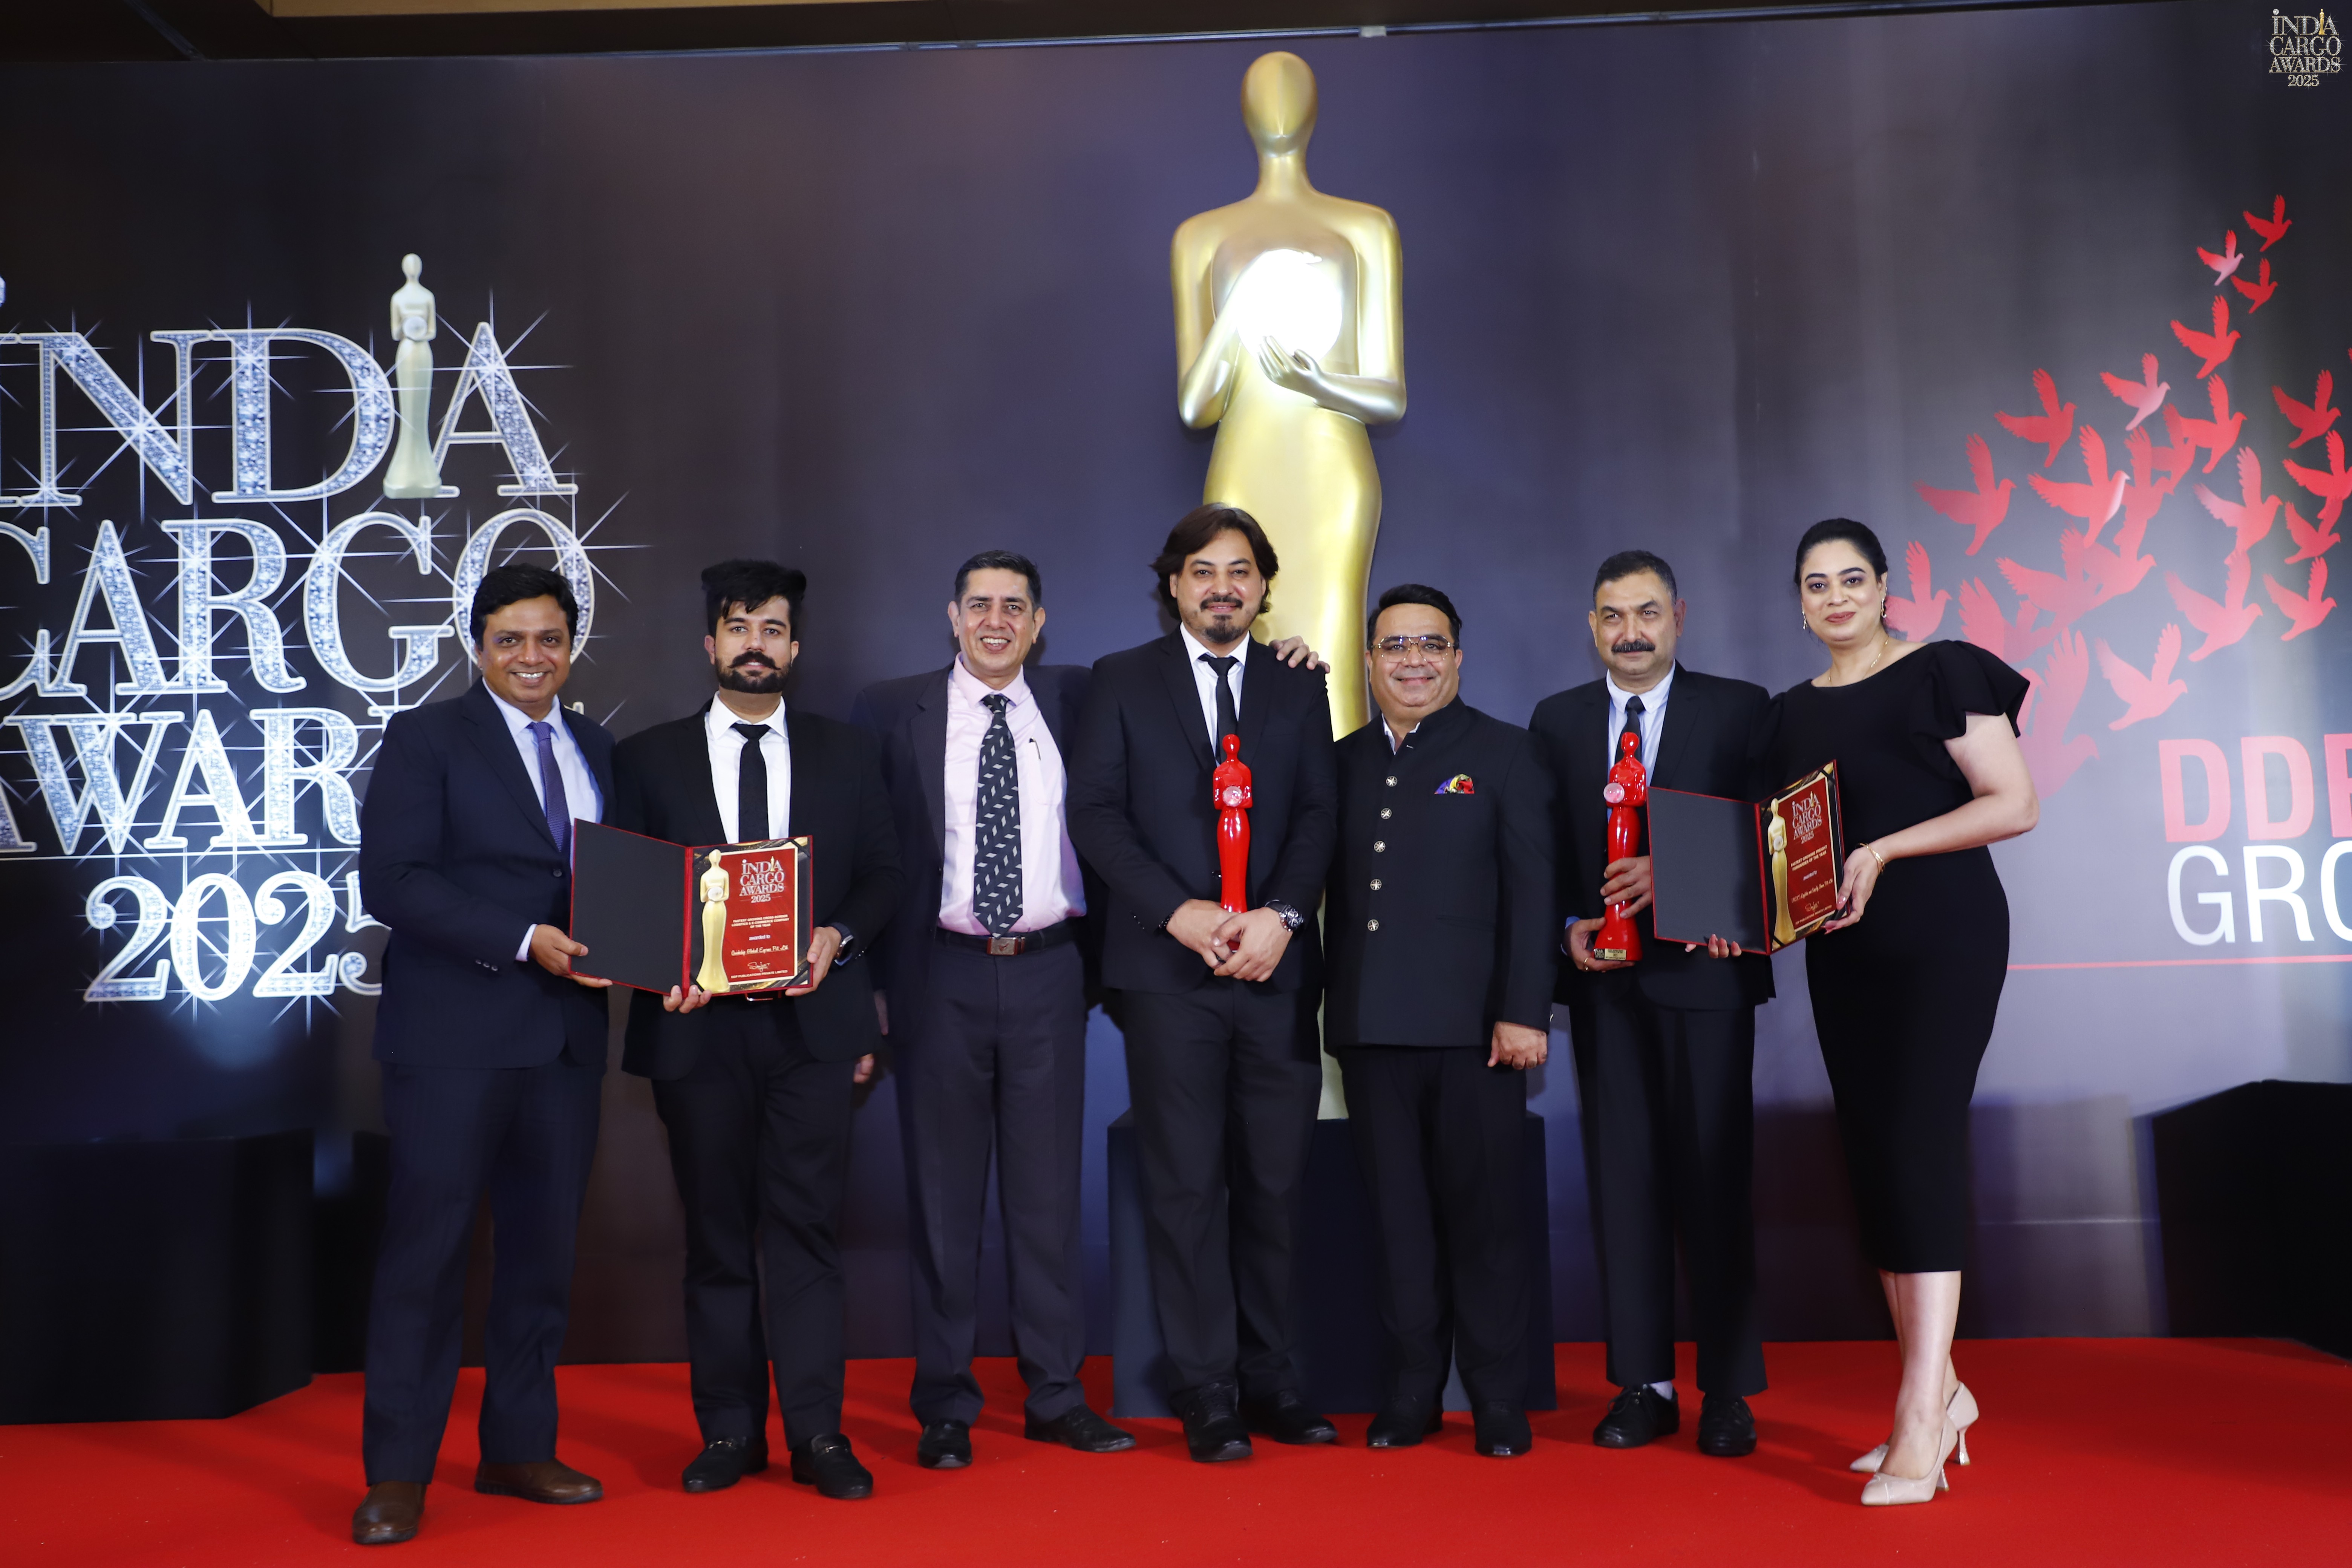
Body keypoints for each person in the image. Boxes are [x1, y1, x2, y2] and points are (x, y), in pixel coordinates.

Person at [610, 560, 903, 1502]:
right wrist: (664, 967)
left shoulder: (847, 753)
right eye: (739, 628)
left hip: (812, 1028)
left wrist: (838, 935)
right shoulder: (646, 758)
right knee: (718, 1237)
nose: (755, 645)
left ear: (795, 647)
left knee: (807, 1233)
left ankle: (819, 1433)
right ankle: (730, 1430)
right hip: (697, 1036)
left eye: (772, 629)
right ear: (710, 644)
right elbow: (625, 893)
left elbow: (887, 873)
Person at [1066, 503, 1340, 1462]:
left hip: (1274, 970)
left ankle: (1273, 1379)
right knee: (1185, 1186)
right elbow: (1095, 815)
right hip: (1166, 972)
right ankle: (1207, 1389)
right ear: (1174, 585)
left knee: (1274, 1184)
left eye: (1240, 572)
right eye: (1203, 572)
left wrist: (1283, 917)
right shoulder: (1121, 679)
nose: (1222, 588)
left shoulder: (1299, 684)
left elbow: (1319, 815)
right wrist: (1177, 913)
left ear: (1263, 588)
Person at [850, 550, 1134, 1469]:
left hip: (1051, 974)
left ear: (1040, 623)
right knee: (944, 1202)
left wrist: (1287, 652)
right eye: (980, 604)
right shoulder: (891, 710)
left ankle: (1056, 1395)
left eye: (1015, 605)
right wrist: (867, 987)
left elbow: (1184, 685)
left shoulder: (1082, 698)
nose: (997, 620)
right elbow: (865, 852)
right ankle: (945, 1403)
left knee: (1049, 1200)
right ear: (953, 615)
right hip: (940, 977)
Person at [1772, 518, 2035, 1507]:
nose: (1836, 597)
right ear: (1799, 603)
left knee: (1918, 1149)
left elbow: (2012, 801)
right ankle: (1944, 1391)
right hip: (1844, 952)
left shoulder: (1944, 669)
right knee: (1878, 1160)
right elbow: (1776, 850)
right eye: (1816, 584)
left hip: (1943, 938)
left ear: (1885, 587)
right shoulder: (1788, 715)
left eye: (1852, 579)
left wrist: (1883, 850)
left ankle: (1922, 1417)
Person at [352, 564, 615, 1546]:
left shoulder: (596, 745)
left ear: (572, 647)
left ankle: (518, 1447)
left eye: (549, 639)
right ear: (478, 648)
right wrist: (521, 938)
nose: (531, 657)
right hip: (452, 1040)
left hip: (566, 1038)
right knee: (426, 1258)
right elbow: (393, 880)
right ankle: (397, 1474)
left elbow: (619, 881)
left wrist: (664, 950)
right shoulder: (426, 737)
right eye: (511, 640)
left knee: (542, 1257)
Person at [1528, 550, 1775, 1459]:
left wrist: (1679, 878)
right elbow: (1541, 853)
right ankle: (1645, 1383)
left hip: (1706, 979)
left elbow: (1770, 833)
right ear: (1591, 626)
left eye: (1646, 613)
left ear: (1679, 616)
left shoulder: (1742, 708)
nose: (1629, 632)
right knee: (1623, 1183)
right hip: (1604, 987)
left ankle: (1727, 1390)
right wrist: (1563, 930)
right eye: (1612, 616)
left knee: (1715, 1180)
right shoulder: (1556, 720)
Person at [1323, 584, 1555, 1459]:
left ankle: (1496, 1399)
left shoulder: (1506, 752)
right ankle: (1412, 1394)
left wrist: (1523, 1012)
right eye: (1394, 646)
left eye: (1430, 644)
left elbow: (1534, 894)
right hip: (1371, 1029)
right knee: (1399, 1227)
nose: (1412, 660)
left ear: (1458, 656)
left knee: (1486, 1224)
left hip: (1478, 1034)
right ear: (1369, 660)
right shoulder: (1339, 763)